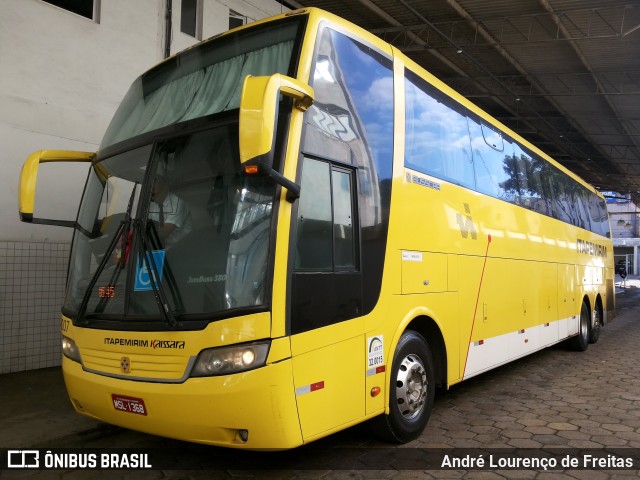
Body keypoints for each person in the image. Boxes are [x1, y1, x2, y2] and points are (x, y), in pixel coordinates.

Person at [148, 176, 193, 247]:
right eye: (149, 194)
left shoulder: (177, 204)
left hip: (182, 246)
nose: (151, 197)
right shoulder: (150, 203)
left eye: (154, 194)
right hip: (161, 246)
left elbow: (163, 232)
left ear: (165, 189)